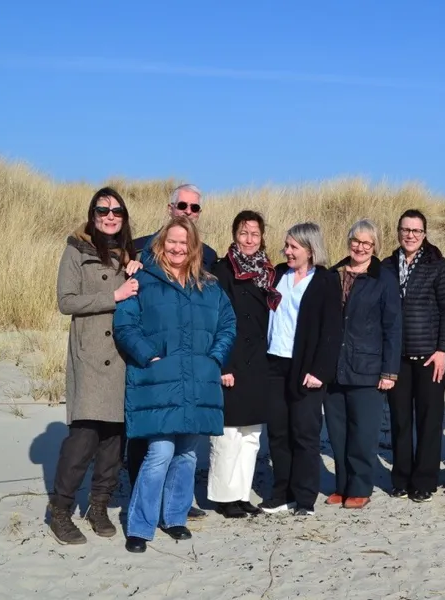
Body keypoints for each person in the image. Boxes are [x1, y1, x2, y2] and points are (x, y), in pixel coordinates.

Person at [113, 216, 236, 552]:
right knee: (159, 452)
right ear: (161, 244)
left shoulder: (208, 285)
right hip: (159, 380)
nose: (178, 248)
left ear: (193, 246)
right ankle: (140, 525)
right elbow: (125, 325)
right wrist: (149, 356)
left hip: (198, 380)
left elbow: (228, 324)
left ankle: (175, 517)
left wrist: (214, 358)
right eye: (172, 242)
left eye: (184, 242)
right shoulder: (144, 279)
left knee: (185, 454)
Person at [49, 187, 141, 545]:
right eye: (102, 210)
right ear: (92, 213)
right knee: (83, 437)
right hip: (88, 355)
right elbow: (65, 301)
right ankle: (60, 511)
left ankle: (98, 507)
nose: (110, 215)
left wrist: (139, 268)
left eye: (117, 211)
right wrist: (113, 296)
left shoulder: (130, 252)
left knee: (113, 440)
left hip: (120, 356)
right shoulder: (76, 248)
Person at [127, 183, 218, 520]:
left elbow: (215, 312)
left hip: (190, 361)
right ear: (170, 207)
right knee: (149, 443)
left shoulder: (209, 254)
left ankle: (176, 505)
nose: (188, 212)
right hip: (152, 359)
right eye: (183, 205)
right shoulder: (138, 248)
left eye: (195, 207)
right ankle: (141, 503)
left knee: (183, 445)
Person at [261, 223, 342, 517]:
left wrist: (319, 369)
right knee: (278, 432)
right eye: (286, 246)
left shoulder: (325, 280)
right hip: (274, 363)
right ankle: (282, 493)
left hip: (306, 367)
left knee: (305, 433)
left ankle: (305, 499)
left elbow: (332, 330)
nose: (288, 251)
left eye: (294, 247)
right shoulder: (278, 274)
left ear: (310, 250)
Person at [324, 219, 402, 510]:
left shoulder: (384, 279)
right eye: (356, 241)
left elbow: (393, 327)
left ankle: (360, 487)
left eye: (367, 243)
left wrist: (389, 371)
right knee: (338, 432)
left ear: (375, 247)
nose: (360, 247)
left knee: (363, 434)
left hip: (368, 369)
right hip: (335, 368)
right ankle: (342, 486)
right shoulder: (334, 274)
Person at [382, 210, 445, 503]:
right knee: (400, 421)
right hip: (397, 357)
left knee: (429, 421)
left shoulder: (437, 265)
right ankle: (400, 478)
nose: (410, 235)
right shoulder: (387, 266)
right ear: (398, 232)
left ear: (424, 234)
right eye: (406, 229)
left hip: (430, 357)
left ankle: (425, 480)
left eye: (416, 230)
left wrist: (442, 350)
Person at [208, 211, 278, 519]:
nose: (249, 239)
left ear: (262, 237)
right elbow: (215, 321)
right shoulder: (222, 271)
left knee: (251, 436)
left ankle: (241, 493)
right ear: (234, 235)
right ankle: (224, 498)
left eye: (255, 234)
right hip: (233, 361)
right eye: (243, 233)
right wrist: (223, 365)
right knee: (227, 434)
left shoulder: (269, 273)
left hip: (259, 363)